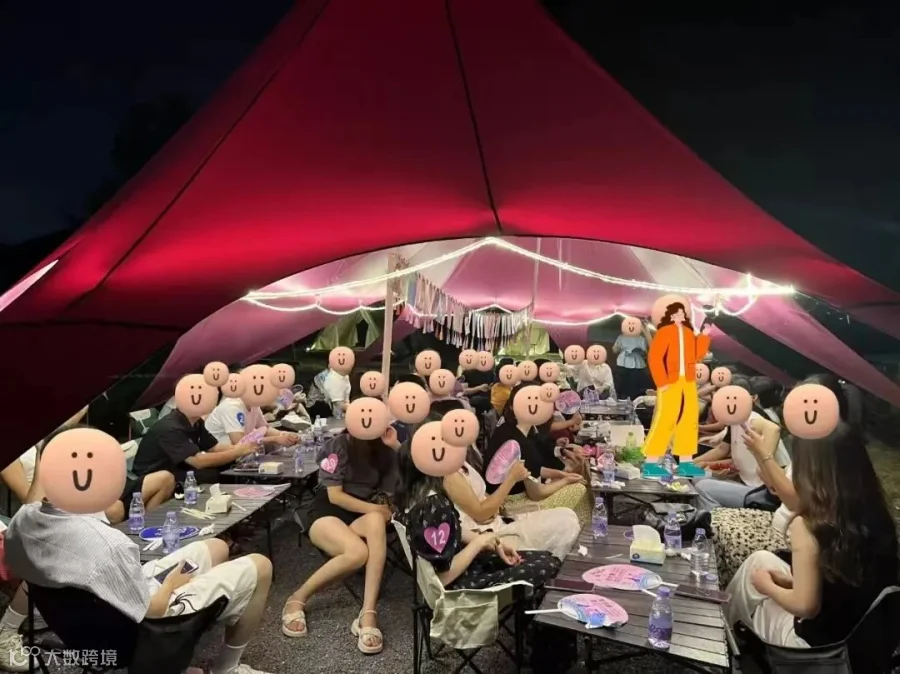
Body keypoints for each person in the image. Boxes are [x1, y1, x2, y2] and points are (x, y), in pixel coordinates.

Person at [4, 426, 275, 674]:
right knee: (260, 566)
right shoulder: (108, 544)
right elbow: (153, 610)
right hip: (138, 633)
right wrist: (172, 583)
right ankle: (226, 668)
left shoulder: (22, 522)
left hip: (87, 627)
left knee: (216, 547)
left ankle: (178, 658)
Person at [725, 421, 899, 647]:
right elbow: (847, 582)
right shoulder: (878, 515)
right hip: (864, 640)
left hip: (817, 649)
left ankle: (723, 641)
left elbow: (806, 606)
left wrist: (766, 586)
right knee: (759, 560)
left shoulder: (809, 525)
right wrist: (792, 581)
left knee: (754, 587)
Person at [710, 374, 850, 586]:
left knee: (715, 522)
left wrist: (763, 454)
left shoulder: (832, 446)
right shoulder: (806, 441)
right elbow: (774, 486)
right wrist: (759, 457)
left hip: (787, 536)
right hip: (779, 519)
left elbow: (795, 502)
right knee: (714, 520)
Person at [281, 425, 401, 654]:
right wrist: (377, 509)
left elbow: (418, 469)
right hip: (328, 509)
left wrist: (395, 445)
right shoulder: (337, 445)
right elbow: (335, 496)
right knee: (358, 553)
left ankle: (368, 613)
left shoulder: (385, 449)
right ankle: (297, 598)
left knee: (375, 522)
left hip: (363, 512)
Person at [396, 444, 561, 591]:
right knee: (547, 564)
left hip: (467, 563)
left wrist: (495, 544)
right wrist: (479, 542)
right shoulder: (432, 506)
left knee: (544, 559)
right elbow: (443, 577)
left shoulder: (414, 499)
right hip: (463, 583)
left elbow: (456, 530)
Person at [483, 384, 591, 525]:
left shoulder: (514, 429)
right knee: (579, 489)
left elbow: (533, 470)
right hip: (511, 505)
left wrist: (562, 475)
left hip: (508, 495)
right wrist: (565, 480)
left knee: (575, 477)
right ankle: (577, 530)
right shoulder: (520, 441)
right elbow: (537, 493)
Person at [693, 376, 790, 511]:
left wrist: (765, 461)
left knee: (703, 486)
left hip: (762, 491)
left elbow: (773, 429)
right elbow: (722, 449)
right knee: (696, 476)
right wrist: (691, 465)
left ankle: (716, 520)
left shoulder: (752, 418)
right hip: (746, 482)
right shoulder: (735, 420)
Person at [131, 398, 256, 485]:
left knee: (226, 465)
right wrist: (237, 452)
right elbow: (197, 462)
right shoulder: (170, 427)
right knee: (209, 475)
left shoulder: (196, 422)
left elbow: (214, 447)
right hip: (154, 475)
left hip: (179, 467)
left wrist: (244, 447)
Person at [643, 302, 711, 459]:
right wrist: (662, 382)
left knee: (688, 421)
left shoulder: (688, 333)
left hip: (687, 381)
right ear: (671, 316)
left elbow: (697, 355)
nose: (681, 316)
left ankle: (684, 461)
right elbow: (654, 358)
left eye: (683, 313)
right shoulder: (664, 333)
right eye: (678, 313)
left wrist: (704, 337)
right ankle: (653, 459)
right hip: (670, 381)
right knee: (665, 419)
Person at [204, 391, 298, 448]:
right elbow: (239, 443)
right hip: (221, 457)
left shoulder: (254, 405)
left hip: (238, 454)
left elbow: (266, 429)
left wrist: (286, 435)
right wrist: (275, 439)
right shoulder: (231, 407)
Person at [612, 319, 652, 400]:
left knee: (636, 385)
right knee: (622, 384)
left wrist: (639, 351)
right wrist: (617, 348)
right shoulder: (621, 337)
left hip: (637, 364)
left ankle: (634, 399)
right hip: (623, 363)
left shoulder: (641, 339)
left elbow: (645, 353)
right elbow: (614, 350)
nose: (631, 326)